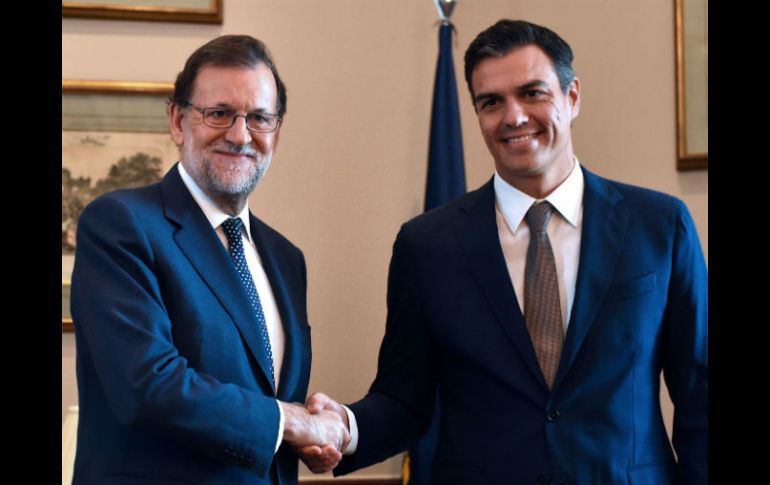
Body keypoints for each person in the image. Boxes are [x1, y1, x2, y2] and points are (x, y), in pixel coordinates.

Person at [301, 19, 708, 484]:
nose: (513, 116)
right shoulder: (426, 246)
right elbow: (404, 400)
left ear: (572, 97)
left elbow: (700, 394)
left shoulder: (659, 225)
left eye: (533, 93)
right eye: (491, 102)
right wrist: (343, 428)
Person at [70, 35, 349, 485]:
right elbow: (148, 386)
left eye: (259, 118)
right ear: (178, 121)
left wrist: (310, 439)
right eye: (219, 114)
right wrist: (292, 422)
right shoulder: (121, 223)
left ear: (275, 133)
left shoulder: (285, 259)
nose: (240, 135)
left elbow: (260, 411)